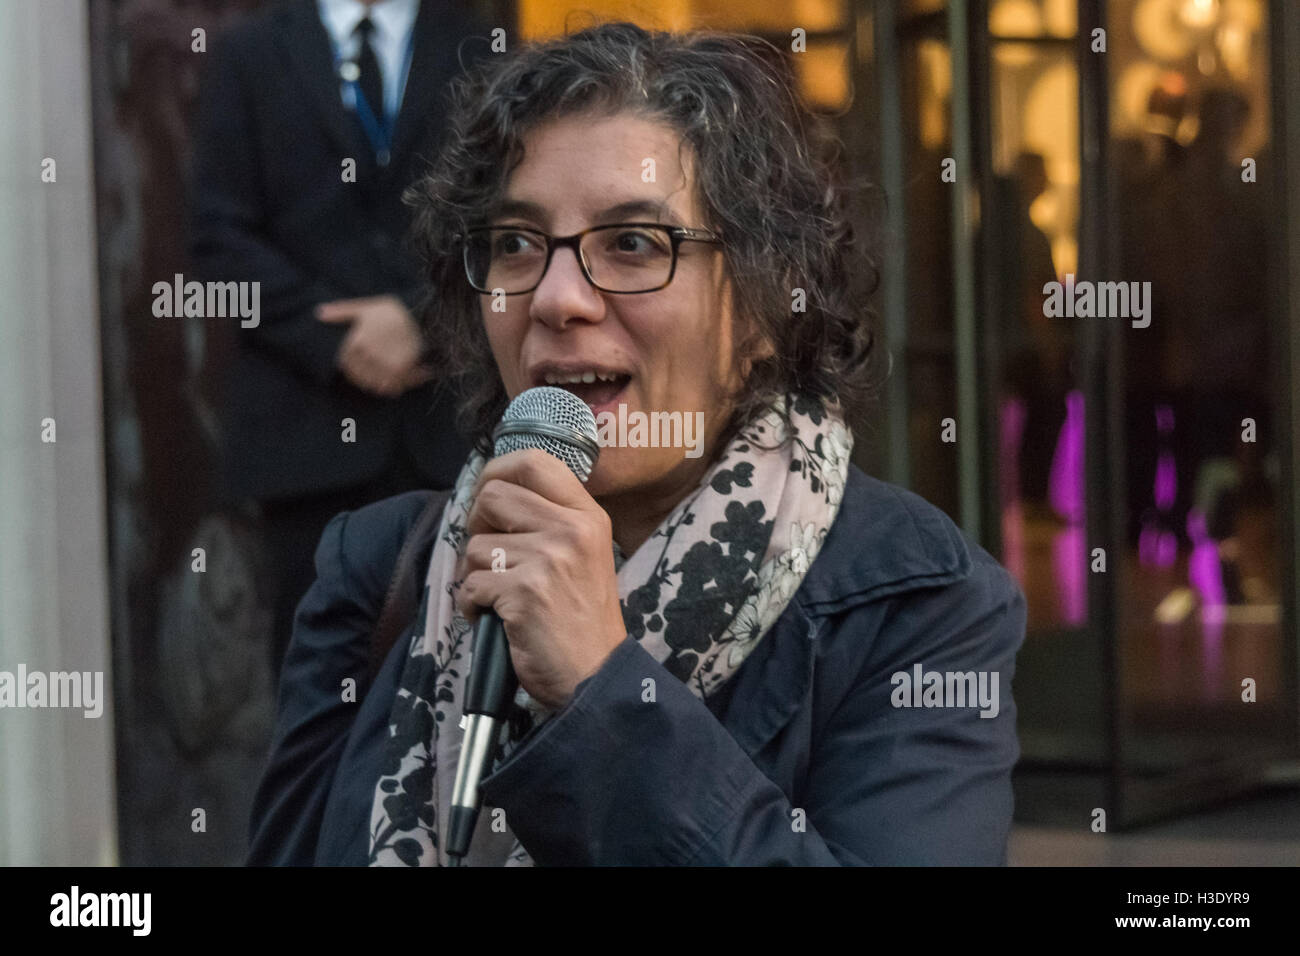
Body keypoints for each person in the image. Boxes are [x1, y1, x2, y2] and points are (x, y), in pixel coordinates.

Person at [247, 21, 1027, 866]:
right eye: (514, 245)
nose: (556, 298)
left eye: (632, 244)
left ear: (765, 305)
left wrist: (600, 687)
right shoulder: (374, 571)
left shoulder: (915, 604)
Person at [189, 0, 486, 681]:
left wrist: (420, 325)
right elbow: (219, 237)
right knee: (319, 692)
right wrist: (340, 338)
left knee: (454, 681)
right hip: (306, 439)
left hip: (445, 432)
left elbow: (500, 222)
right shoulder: (251, 54)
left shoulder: (478, 45)